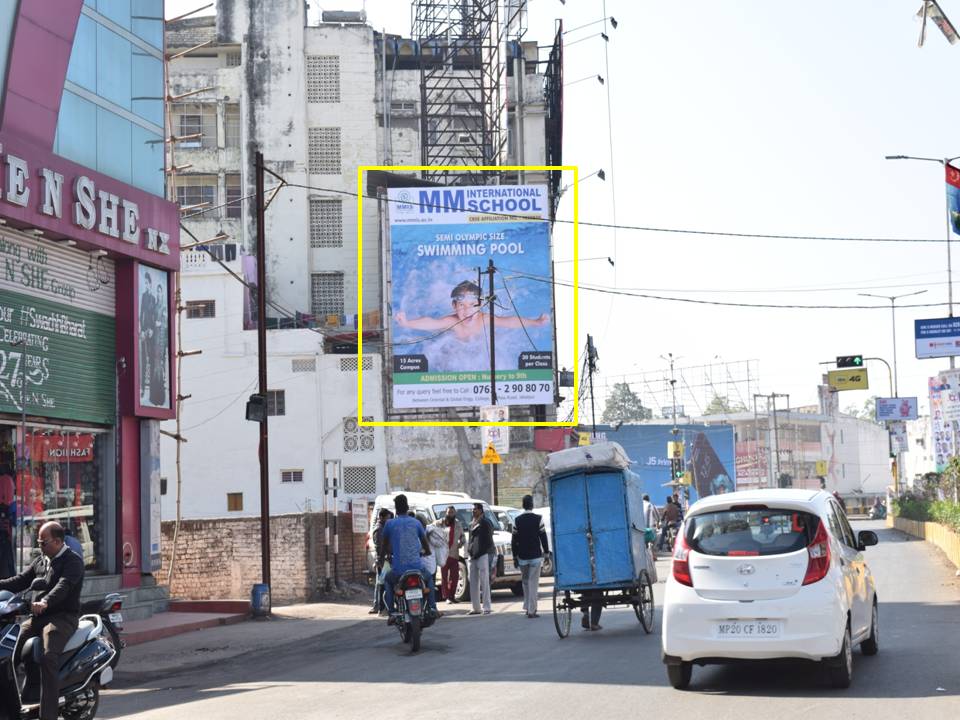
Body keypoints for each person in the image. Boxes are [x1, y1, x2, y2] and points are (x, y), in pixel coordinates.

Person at [0, 521, 84, 720]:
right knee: (9, 649)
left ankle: (48, 715)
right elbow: (21, 580)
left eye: (42, 542)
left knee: (48, 657)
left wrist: (46, 601)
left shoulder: (73, 561)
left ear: (57, 541)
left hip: (62, 618)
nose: (39, 546)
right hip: (38, 616)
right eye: (38, 542)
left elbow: (63, 587)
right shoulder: (41, 559)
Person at [395, 280, 549, 342]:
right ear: (454, 306)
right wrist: (407, 324)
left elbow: (509, 322)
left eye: (472, 305)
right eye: (462, 305)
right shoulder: (452, 321)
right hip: (455, 346)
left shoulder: (484, 318)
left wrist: (534, 322)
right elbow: (431, 323)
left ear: (480, 305)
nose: (467, 310)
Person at [379, 495, 430, 624]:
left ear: (396, 509)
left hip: (399, 570)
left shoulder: (390, 524)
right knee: (429, 578)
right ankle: (433, 608)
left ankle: (391, 611)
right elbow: (425, 543)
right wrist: (427, 552)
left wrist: (381, 558)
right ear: (407, 508)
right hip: (417, 568)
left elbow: (384, 545)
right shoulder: (416, 522)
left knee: (387, 581)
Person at [511, 495, 550, 618]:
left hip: (522, 557)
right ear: (532, 505)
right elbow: (543, 537)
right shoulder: (538, 519)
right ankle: (532, 610)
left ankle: (527, 607)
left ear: (523, 505)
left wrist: (514, 556)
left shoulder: (517, 520)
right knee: (533, 583)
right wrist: (547, 553)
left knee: (526, 582)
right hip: (535, 556)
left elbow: (514, 540)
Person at [467, 503, 494, 615]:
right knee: (473, 582)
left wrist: (484, 551)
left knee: (484, 582)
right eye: (472, 509)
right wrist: (469, 551)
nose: (473, 511)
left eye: (475, 509)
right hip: (472, 556)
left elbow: (489, 539)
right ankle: (475, 607)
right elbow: (470, 540)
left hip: (482, 554)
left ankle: (487, 607)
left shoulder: (485, 522)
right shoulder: (471, 523)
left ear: (481, 511)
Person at [433, 506, 464, 603]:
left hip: (454, 553)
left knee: (454, 577)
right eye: (449, 512)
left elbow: (462, 536)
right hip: (443, 554)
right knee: (444, 577)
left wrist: (461, 543)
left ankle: (452, 596)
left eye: (452, 512)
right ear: (445, 513)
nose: (450, 514)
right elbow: (431, 531)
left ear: (455, 514)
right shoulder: (439, 523)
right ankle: (446, 597)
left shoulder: (458, 524)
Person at [421, 517, 447, 617]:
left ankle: (430, 607)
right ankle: (432, 607)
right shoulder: (427, 531)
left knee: (427, 586)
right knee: (429, 585)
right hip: (427, 566)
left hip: (426, 565)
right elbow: (438, 543)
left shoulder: (428, 530)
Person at [368, 508, 393, 614]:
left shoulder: (383, 528)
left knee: (381, 583)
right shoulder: (379, 530)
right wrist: (381, 560)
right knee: (381, 584)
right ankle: (379, 606)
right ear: (381, 517)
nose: (389, 520)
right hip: (383, 561)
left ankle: (378, 606)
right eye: (387, 518)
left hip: (384, 560)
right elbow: (380, 547)